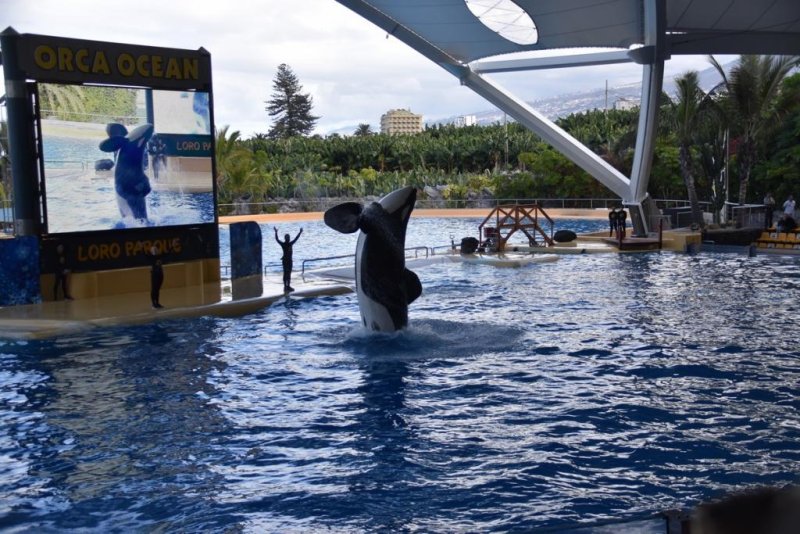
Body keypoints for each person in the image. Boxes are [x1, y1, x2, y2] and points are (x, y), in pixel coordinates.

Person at [274, 227, 303, 292]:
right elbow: (296, 238)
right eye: (288, 237)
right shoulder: (287, 244)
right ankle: (286, 286)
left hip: (287, 261)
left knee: (287, 273)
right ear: (286, 238)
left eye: (288, 237)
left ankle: (287, 286)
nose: (288, 238)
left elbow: (277, 239)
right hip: (287, 261)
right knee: (287, 273)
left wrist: (276, 232)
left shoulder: (287, 244)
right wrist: (300, 232)